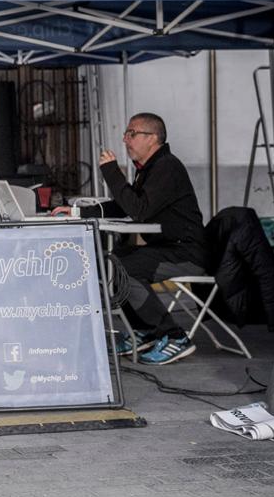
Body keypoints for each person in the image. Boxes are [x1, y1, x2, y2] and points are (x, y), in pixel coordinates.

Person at [55, 112, 207, 365]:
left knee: (124, 268)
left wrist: (112, 173)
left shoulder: (167, 166)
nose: (125, 140)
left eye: (132, 134)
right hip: (167, 249)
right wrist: (77, 211)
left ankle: (175, 336)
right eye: (126, 134)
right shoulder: (149, 169)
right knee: (111, 263)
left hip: (188, 253)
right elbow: (125, 205)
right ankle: (145, 330)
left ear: (153, 138)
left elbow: (138, 210)